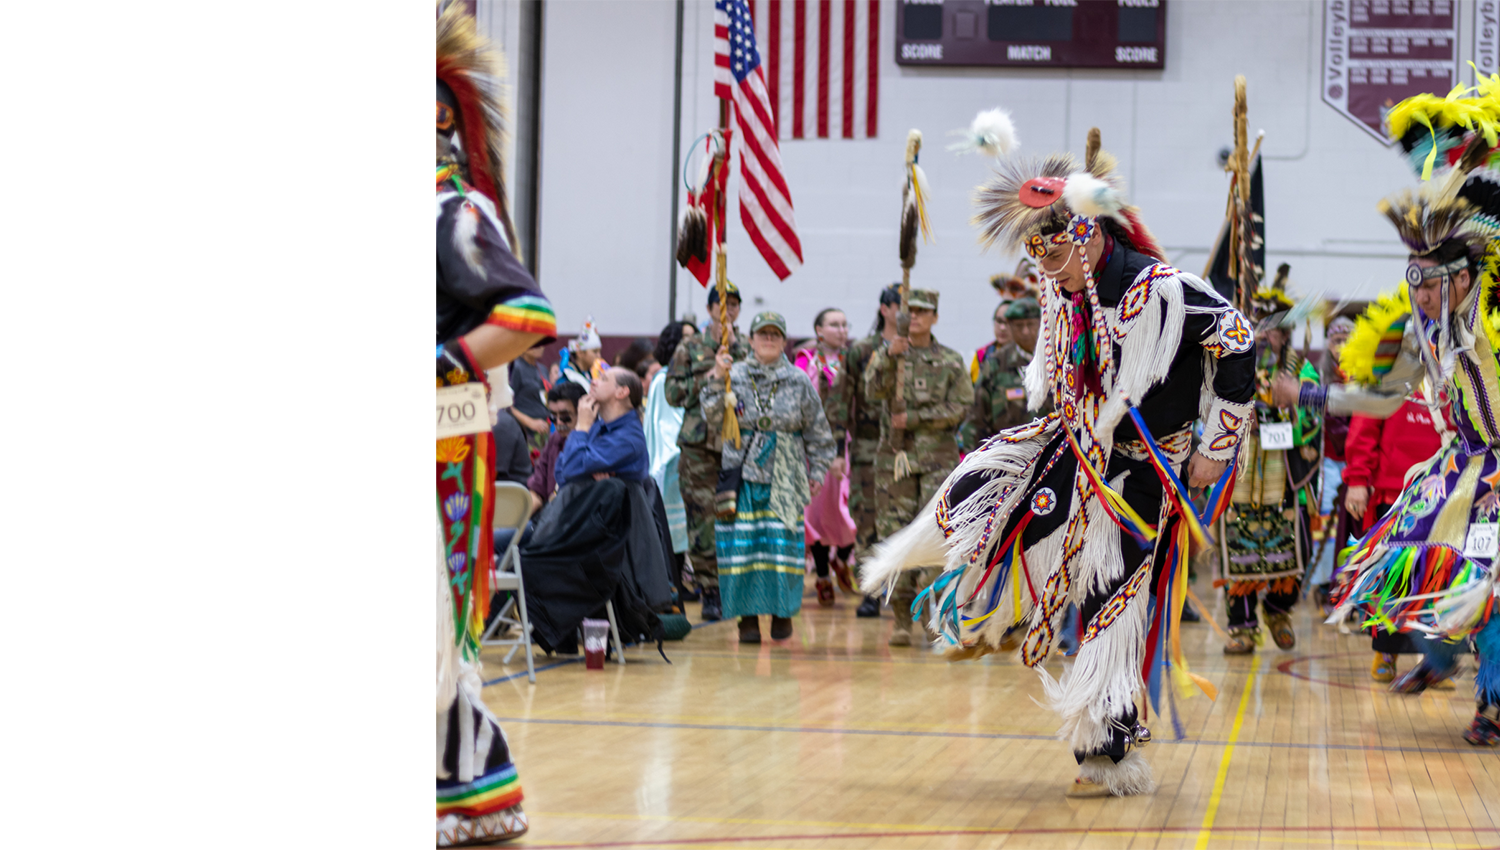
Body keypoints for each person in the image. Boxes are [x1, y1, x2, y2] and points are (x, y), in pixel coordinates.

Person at [861, 126, 1256, 796]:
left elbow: (1239, 340)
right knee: (987, 487)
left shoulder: (1160, 288)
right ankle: (956, 589)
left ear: (1091, 234)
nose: (1054, 275)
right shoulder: (1062, 289)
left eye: (1058, 259)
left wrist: (1215, 449)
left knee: (1113, 597)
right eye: (1043, 263)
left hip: (1147, 469)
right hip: (1076, 448)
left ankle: (1106, 751)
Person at [1275, 84, 1500, 745]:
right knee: (1406, 562)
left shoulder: (1491, 319)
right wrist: (1310, 396)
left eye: (1428, 279)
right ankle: (1438, 656)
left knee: (1486, 583)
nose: (1418, 291)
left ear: (1463, 277)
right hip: (1457, 474)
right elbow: (1385, 398)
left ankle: (1491, 703)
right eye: (1412, 279)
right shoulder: (1421, 333)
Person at [434, 6, 555, 843]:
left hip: (432, 451)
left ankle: (460, 790)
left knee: (427, 634)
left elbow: (526, 313)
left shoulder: (450, 212)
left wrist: (440, 366)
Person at [701, 312, 837, 642]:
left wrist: (817, 470)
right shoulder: (733, 373)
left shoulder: (798, 380)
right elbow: (711, 415)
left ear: (784, 341)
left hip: (786, 474)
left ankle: (781, 613)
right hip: (742, 474)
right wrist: (718, 376)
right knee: (742, 547)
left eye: (776, 334)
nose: (769, 339)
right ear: (750, 340)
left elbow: (819, 433)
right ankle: (746, 619)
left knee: (782, 549)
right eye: (763, 333)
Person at [864, 288, 974, 646]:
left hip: (936, 462)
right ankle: (899, 617)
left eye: (924, 312)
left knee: (935, 536)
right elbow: (871, 391)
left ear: (935, 317)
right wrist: (886, 356)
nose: (917, 318)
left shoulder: (951, 361)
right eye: (911, 311)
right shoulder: (891, 354)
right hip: (894, 462)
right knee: (894, 533)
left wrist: (914, 417)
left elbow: (959, 408)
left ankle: (935, 615)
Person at [1219, 269, 1322, 654]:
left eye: (1271, 329)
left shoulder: (1301, 371)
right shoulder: (1233, 364)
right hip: (1242, 472)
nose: (1263, 336)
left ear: (1284, 334)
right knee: (1236, 543)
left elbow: (1313, 422)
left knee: (1294, 549)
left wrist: (1292, 407)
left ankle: (1278, 610)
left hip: (1283, 477)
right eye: (1256, 327)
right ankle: (1242, 626)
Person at [1343, 392, 1446, 682]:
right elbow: (1365, 422)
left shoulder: (1457, 363)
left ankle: (1436, 657)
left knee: (1439, 579)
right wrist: (1358, 479)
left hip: (1447, 489)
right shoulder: (1390, 363)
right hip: (1395, 491)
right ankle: (1386, 651)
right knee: (1392, 579)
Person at [664, 282, 749, 621]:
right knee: (702, 519)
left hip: (738, 444)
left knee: (738, 517)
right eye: (724, 305)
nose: (730, 311)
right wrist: (712, 375)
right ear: (711, 308)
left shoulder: (748, 346)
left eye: (735, 305)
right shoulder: (691, 347)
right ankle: (710, 588)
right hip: (700, 446)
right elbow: (673, 392)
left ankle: (738, 587)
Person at [829, 285, 902, 618]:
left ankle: (904, 593)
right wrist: (836, 450)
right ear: (885, 309)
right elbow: (840, 401)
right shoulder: (861, 351)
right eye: (900, 305)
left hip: (905, 448)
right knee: (867, 522)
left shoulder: (918, 348)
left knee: (905, 519)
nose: (906, 313)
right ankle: (871, 590)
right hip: (867, 448)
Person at [795, 308, 858, 606]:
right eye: (834, 325)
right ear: (819, 330)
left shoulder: (855, 359)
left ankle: (843, 558)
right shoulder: (805, 361)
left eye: (844, 325)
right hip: (816, 446)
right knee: (817, 513)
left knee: (851, 509)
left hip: (850, 443)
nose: (841, 330)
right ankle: (822, 575)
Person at [1308, 316, 1356, 608]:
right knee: (1324, 520)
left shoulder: (1363, 373)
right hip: (1327, 458)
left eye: (1346, 340)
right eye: (1336, 341)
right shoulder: (1318, 374)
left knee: (1352, 520)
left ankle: (1350, 582)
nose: (1341, 346)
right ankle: (1324, 583)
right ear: (1328, 343)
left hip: (1355, 459)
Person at [961, 296, 1048, 452]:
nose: (1026, 331)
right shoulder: (996, 364)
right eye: (1019, 326)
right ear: (1010, 327)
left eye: (1031, 324)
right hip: (1009, 455)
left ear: (1041, 324)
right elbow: (976, 419)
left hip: (1052, 452)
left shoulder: (1055, 359)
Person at [645, 321, 693, 598]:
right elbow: (666, 425)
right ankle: (672, 583)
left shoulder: (684, 376)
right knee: (673, 526)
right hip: (671, 459)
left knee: (683, 527)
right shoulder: (665, 379)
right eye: (684, 339)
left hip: (685, 457)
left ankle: (678, 581)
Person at [555, 367, 649, 486]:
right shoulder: (600, 425)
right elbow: (560, 470)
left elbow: (570, 467)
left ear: (622, 392)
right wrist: (586, 478)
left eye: (603, 379)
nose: (593, 382)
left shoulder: (628, 438)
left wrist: (581, 426)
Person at [527, 382, 585, 513]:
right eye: (553, 417)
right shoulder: (555, 439)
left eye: (565, 417)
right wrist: (519, 520)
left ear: (582, 412)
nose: (558, 423)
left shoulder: (595, 443)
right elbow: (537, 491)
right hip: (549, 519)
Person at [508, 341, 552, 454]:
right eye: (535, 342)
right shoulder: (516, 367)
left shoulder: (542, 369)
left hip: (543, 433)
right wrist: (530, 422)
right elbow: (506, 405)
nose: (540, 346)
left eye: (542, 342)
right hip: (524, 433)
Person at [561, 318, 602, 389]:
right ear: (580, 353)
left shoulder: (591, 374)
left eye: (599, 352)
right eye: (595, 351)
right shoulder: (569, 376)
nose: (599, 356)